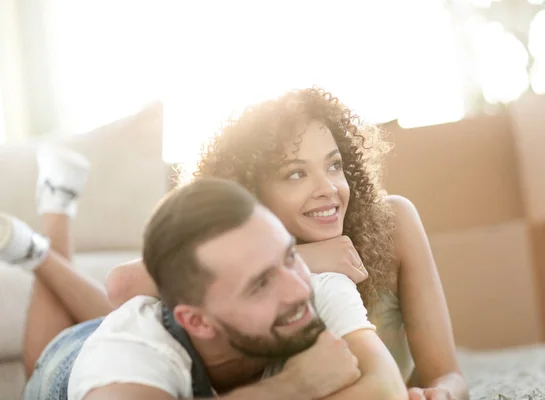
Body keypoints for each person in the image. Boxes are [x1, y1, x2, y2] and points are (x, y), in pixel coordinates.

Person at [107, 88, 469, 400]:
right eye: (296, 173)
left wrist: (440, 393)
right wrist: (304, 259)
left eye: (334, 165)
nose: (327, 188)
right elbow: (124, 284)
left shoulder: (394, 222)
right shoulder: (234, 256)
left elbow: (447, 374)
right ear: (249, 192)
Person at [1, 152, 406, 398]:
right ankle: (46, 234)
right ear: (195, 319)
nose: (299, 288)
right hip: (78, 362)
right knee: (45, 358)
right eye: (260, 283)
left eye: (289, 257)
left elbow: (386, 391)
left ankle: (37, 247)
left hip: (135, 335)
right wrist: (295, 388)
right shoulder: (131, 346)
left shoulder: (320, 286)